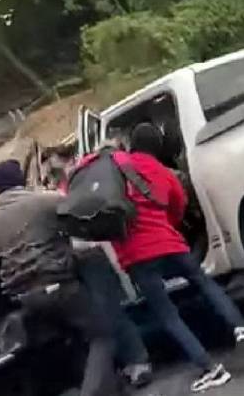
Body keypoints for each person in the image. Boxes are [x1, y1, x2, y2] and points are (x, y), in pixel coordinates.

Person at [113, 123, 244, 393]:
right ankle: (241, 329)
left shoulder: (114, 169)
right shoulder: (164, 172)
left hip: (136, 254)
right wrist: (164, 227)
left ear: (130, 145)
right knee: (205, 283)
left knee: (168, 314)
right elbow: (179, 207)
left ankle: (210, 369)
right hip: (170, 243)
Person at [0, 160, 121, 396]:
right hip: (57, 284)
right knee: (102, 334)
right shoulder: (42, 201)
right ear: (20, 180)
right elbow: (80, 209)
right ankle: (91, 392)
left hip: (25, 298)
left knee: (73, 337)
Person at [42, 143, 154, 387]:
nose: (51, 171)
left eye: (52, 164)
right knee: (100, 316)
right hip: (78, 257)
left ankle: (139, 361)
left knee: (111, 311)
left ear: (67, 160)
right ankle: (124, 365)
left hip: (92, 252)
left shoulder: (82, 179)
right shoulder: (59, 187)